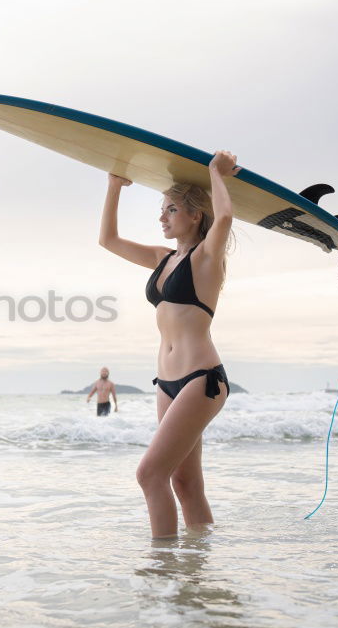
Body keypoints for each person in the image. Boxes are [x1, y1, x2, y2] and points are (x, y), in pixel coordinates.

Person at [98, 151, 240, 539]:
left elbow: (225, 217)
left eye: (171, 209)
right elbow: (107, 240)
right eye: (162, 209)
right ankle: (198, 563)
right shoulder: (163, 258)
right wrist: (115, 186)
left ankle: (162, 571)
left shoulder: (208, 257)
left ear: (195, 215)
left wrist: (216, 174)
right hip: (167, 384)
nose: (162, 217)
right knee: (184, 484)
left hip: (201, 378)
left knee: (149, 474)